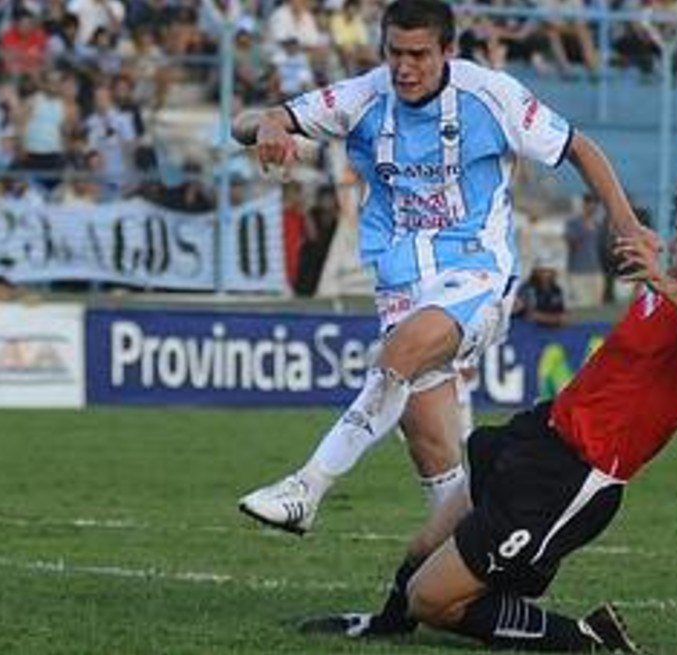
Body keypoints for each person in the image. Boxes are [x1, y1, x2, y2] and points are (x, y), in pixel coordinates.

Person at [231, 0, 654, 535]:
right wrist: (271, 120)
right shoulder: (365, 95)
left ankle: (307, 487)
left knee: (399, 352)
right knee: (433, 450)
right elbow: (242, 125)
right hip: (400, 283)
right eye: (394, 54)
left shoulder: (490, 95)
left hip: (479, 271)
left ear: (448, 51)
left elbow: (579, 148)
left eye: (419, 55)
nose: (405, 68)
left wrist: (626, 224)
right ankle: (471, 572)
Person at [300, 181, 677, 653]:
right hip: (542, 432)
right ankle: (389, 623)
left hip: (573, 476)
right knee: (425, 546)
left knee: (431, 600)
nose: (671, 243)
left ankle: (585, 639)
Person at [564, 192, 605, 308]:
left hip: (596, 271)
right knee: (580, 306)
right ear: (584, 205)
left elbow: (603, 247)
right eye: (589, 203)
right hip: (577, 271)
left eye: (595, 204)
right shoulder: (572, 223)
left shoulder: (599, 224)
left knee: (596, 306)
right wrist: (585, 230)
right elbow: (570, 244)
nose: (592, 207)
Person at [513, 258, 567, 327]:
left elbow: (562, 315)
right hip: (529, 329)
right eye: (542, 271)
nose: (545, 275)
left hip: (551, 328)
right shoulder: (528, 289)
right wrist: (552, 318)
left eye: (549, 271)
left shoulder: (556, 290)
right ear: (536, 272)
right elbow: (530, 315)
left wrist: (554, 318)